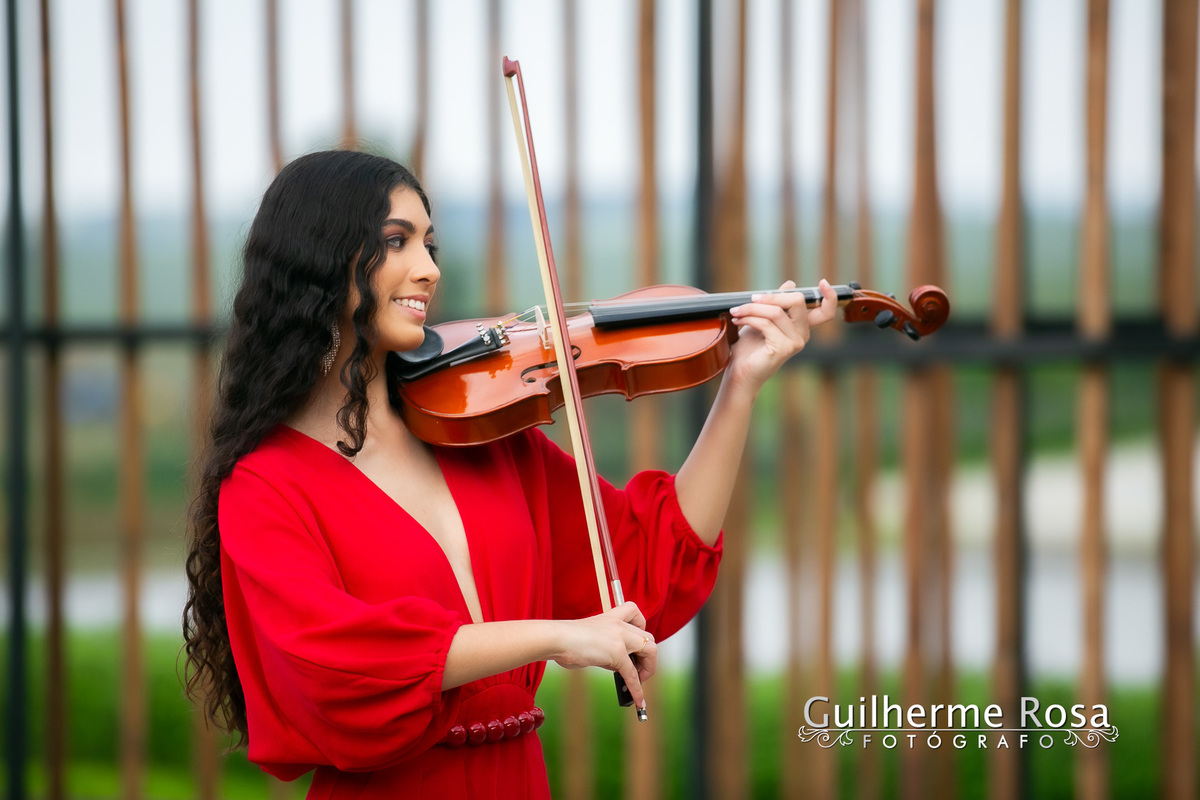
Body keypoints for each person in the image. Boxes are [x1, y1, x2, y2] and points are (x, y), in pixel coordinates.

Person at [182, 149, 838, 799]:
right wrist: (554, 636)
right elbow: (335, 663)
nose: (429, 269)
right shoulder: (265, 486)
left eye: (430, 244)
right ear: (318, 259)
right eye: (396, 241)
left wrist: (740, 387)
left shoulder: (485, 440)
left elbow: (648, 562)